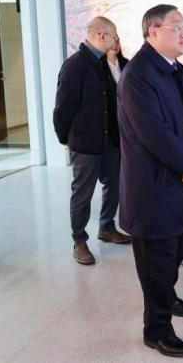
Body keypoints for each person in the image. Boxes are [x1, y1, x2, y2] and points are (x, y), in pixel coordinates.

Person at [117, 4, 183, 358]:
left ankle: (168, 298)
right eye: (176, 26)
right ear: (153, 32)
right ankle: (156, 329)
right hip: (152, 188)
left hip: (179, 180)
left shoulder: (175, 69)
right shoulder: (138, 75)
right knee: (156, 262)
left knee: (175, 249)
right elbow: (155, 134)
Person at [53, 16, 131, 266]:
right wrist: (64, 137)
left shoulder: (103, 63)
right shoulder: (75, 65)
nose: (115, 41)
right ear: (101, 35)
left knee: (114, 184)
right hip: (86, 142)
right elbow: (63, 107)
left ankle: (106, 226)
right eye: (113, 36)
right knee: (83, 193)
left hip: (111, 141)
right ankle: (79, 240)